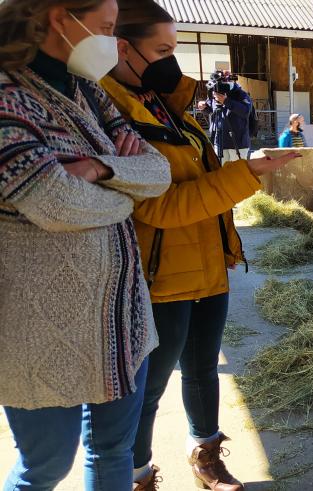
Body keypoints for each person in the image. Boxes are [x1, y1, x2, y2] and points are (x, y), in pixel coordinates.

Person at [103, 3, 301, 489]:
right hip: (159, 276)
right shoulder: (110, 114)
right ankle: (137, 474)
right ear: (121, 48)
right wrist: (247, 174)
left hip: (207, 265)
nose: (174, 62)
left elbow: (197, 180)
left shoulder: (163, 106)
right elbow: (158, 208)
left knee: (202, 371)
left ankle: (205, 455)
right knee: (147, 390)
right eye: (163, 50)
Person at [0, 0, 173, 489]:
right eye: (103, 28)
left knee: (114, 451)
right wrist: (124, 197)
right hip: (42, 327)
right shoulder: (7, 97)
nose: (109, 42)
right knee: (45, 466)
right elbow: (53, 202)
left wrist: (100, 168)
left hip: (121, 322)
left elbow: (156, 173)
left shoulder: (88, 91)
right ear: (60, 18)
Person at [197, 71, 253, 164]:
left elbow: (245, 111)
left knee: (236, 174)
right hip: (219, 142)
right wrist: (203, 107)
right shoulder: (215, 93)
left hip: (238, 143)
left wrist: (226, 101)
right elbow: (210, 109)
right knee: (221, 173)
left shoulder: (240, 94)